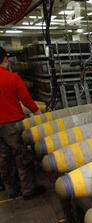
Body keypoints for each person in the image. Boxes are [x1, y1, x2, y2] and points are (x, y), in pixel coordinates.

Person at [0, 47, 46, 199]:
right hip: (13, 125)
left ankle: (12, 190)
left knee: (4, 158)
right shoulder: (12, 78)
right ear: (5, 59)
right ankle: (28, 189)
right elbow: (26, 99)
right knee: (22, 156)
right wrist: (38, 113)